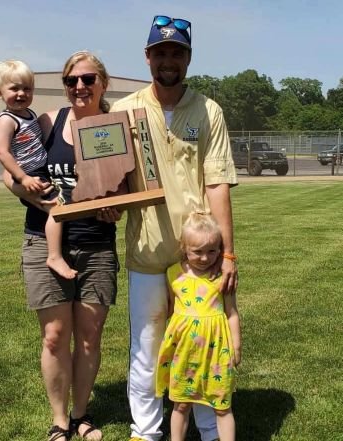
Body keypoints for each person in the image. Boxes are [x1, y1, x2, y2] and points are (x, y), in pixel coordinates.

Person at [111, 14, 239, 441]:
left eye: (177, 53)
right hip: (148, 251)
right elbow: (110, 178)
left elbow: (218, 182)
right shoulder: (124, 110)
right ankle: (146, 432)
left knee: (204, 344)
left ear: (188, 58)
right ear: (148, 57)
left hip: (199, 255)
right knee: (148, 347)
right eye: (161, 52)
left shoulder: (208, 110)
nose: (169, 60)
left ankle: (206, 428)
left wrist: (228, 254)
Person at [3, 51, 119, 441]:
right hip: (42, 239)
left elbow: (126, 185)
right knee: (54, 335)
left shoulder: (114, 125)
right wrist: (35, 198)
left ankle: (81, 415)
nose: (79, 87)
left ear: (103, 82)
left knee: (89, 335)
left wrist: (115, 207)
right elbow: (9, 174)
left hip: (96, 243)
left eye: (88, 79)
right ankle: (59, 421)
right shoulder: (48, 122)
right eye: (72, 81)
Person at [156, 212, 241, 441]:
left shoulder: (222, 276)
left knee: (222, 404)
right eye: (198, 252)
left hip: (217, 352)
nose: (205, 258)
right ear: (184, 248)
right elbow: (173, 312)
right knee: (181, 403)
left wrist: (236, 346)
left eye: (212, 251)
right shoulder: (174, 274)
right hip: (185, 352)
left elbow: (232, 313)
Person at [0, 59, 77, 280]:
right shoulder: (6, 120)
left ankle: (55, 253)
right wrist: (23, 178)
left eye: (27, 88)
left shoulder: (29, 114)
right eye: (14, 88)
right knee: (57, 208)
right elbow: (3, 153)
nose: (21, 93)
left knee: (60, 204)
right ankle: (54, 256)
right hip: (29, 174)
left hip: (40, 170)